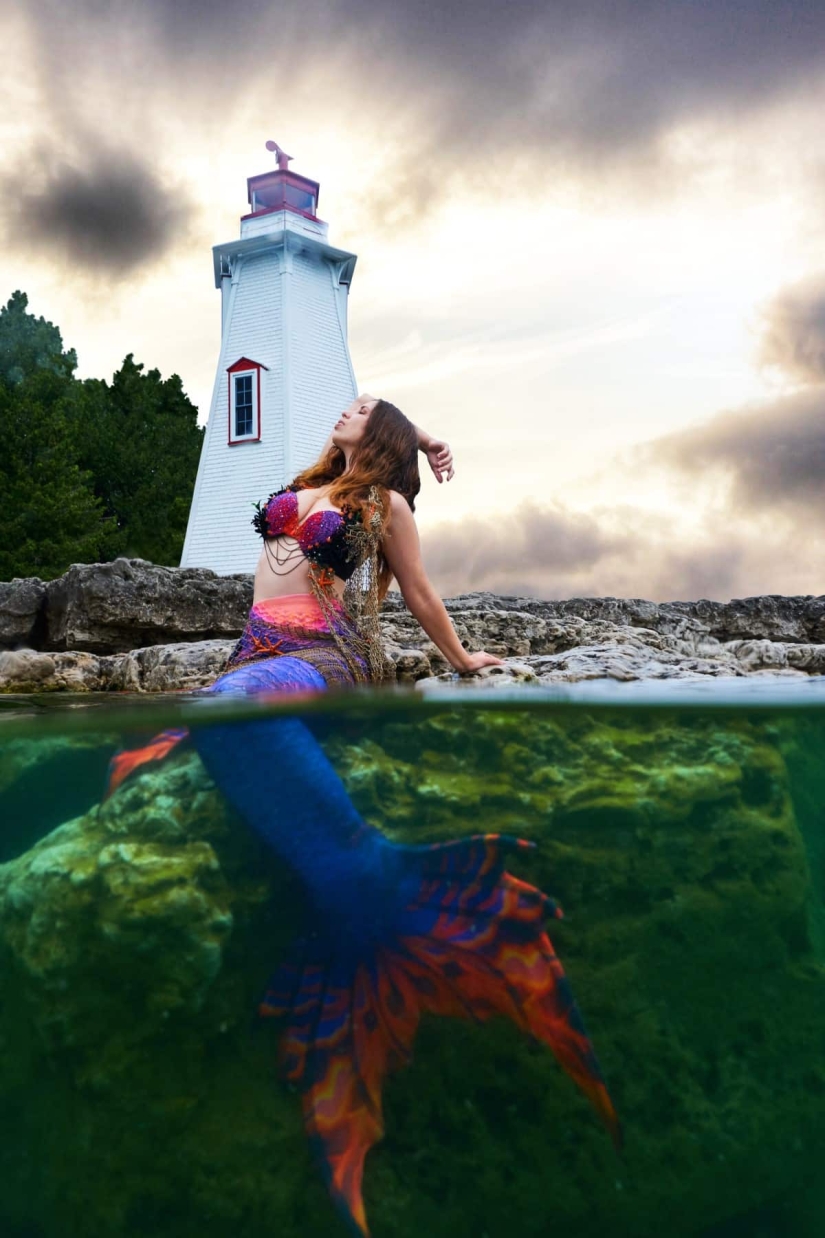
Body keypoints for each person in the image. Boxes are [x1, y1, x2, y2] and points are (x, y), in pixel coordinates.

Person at [105, 393, 621, 1237]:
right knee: (213, 705)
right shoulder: (310, 484)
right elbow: (350, 460)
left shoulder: (387, 505)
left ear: (375, 438)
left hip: (317, 657)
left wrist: (461, 657)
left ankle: (380, 886)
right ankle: (358, 901)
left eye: (359, 410)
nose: (341, 411)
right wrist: (410, 430)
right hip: (251, 655)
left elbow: (415, 590)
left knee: (226, 709)